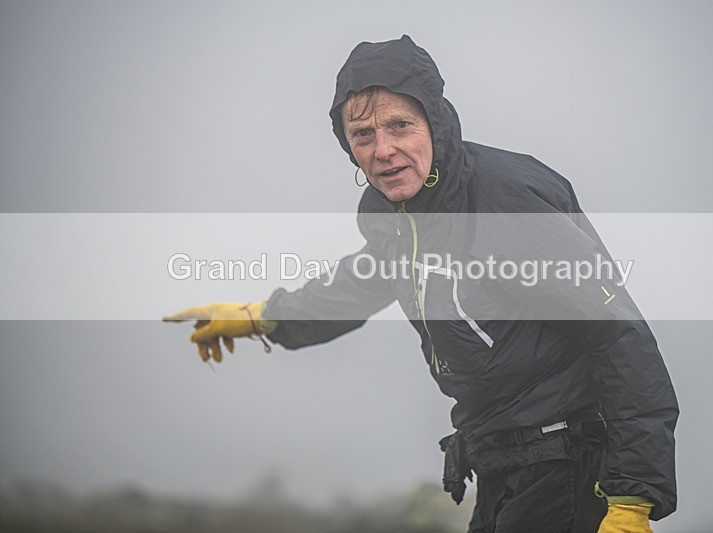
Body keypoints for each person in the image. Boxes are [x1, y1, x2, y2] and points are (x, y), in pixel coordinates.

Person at [165, 35, 678, 532]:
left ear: (434, 121)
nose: (383, 150)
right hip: (499, 458)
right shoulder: (391, 212)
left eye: (399, 126)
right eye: (363, 135)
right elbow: (358, 283)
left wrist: (633, 497)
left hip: (568, 460)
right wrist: (263, 316)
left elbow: (617, 332)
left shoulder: (503, 199)